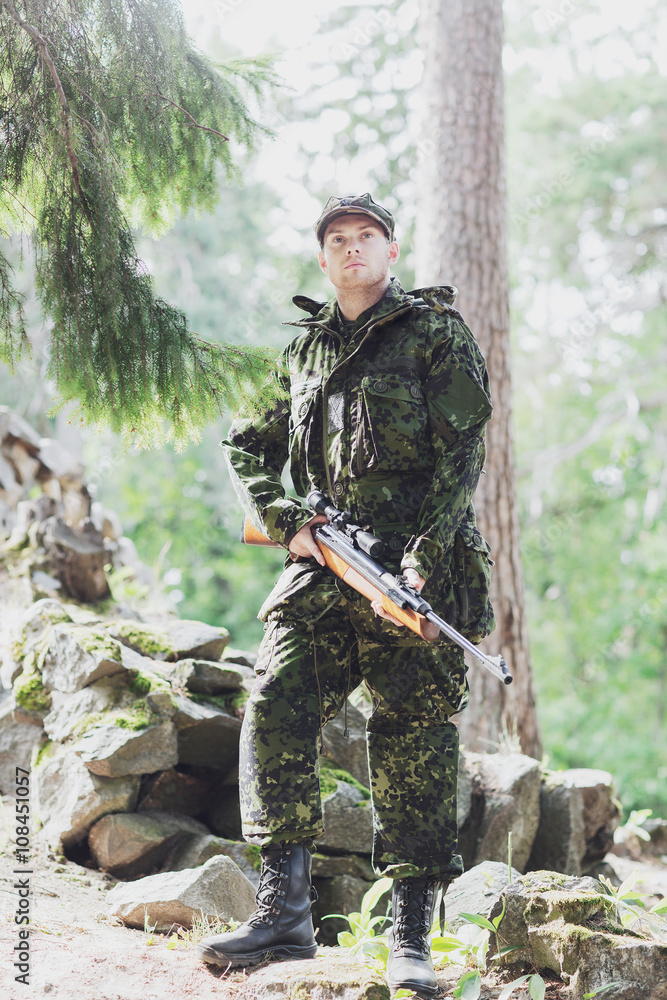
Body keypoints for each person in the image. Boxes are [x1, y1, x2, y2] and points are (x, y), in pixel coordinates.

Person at [197, 193, 495, 997]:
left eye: (367, 236)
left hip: (411, 565)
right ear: (323, 259)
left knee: (411, 739)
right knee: (276, 702)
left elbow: (461, 455)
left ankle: (407, 938)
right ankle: (284, 912)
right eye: (337, 240)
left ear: (391, 252)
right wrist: (287, 520)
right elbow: (245, 444)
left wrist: (426, 554)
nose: (352, 249)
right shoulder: (303, 352)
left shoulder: (435, 336)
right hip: (326, 560)